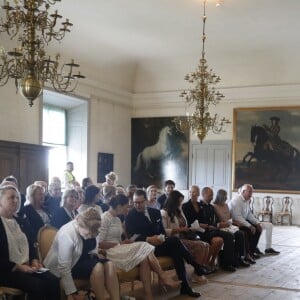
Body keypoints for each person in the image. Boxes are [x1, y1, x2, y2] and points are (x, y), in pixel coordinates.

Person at [126, 189, 209, 298]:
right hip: (144, 249)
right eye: (135, 202)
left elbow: (162, 231)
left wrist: (160, 238)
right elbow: (132, 237)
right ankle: (194, 266)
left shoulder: (154, 212)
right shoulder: (131, 215)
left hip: (159, 244)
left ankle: (185, 287)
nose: (137, 205)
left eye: (140, 202)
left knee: (177, 252)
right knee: (175, 242)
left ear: (146, 201)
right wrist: (149, 239)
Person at [99, 194, 180, 300]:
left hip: (118, 249)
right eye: (126, 206)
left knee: (144, 259)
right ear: (119, 206)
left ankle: (149, 295)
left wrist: (124, 242)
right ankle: (162, 275)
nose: (128, 208)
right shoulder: (105, 218)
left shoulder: (117, 219)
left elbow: (117, 240)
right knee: (144, 244)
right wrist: (119, 244)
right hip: (108, 252)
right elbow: (100, 243)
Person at [44, 207, 120, 300]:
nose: (89, 237)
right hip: (65, 266)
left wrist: (94, 254)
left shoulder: (93, 227)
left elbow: (92, 246)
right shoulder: (67, 235)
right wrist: (73, 292)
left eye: (92, 235)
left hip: (82, 259)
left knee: (110, 264)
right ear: (80, 225)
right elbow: (63, 268)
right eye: (87, 234)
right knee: (98, 267)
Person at [0, 185, 60, 300]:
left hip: (26, 266)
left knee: (53, 280)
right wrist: (18, 266)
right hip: (6, 270)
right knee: (38, 285)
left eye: (17, 197)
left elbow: (32, 243)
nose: (16, 200)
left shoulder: (20, 220)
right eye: (11, 198)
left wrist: (34, 259)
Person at [161, 190, 211, 283]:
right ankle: (197, 273)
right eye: (179, 202)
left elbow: (184, 225)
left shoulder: (179, 211)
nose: (180, 204)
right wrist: (180, 230)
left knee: (205, 245)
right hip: (175, 240)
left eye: (181, 202)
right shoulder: (164, 213)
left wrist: (190, 228)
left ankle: (198, 271)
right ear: (173, 201)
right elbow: (164, 231)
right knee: (200, 246)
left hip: (184, 236)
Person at [183, 186, 236, 272]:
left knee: (225, 237)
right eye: (190, 192)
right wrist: (205, 225)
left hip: (206, 229)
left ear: (198, 193)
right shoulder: (185, 206)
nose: (192, 194)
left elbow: (205, 220)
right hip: (195, 232)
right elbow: (187, 222)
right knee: (225, 237)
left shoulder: (201, 205)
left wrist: (210, 225)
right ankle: (209, 264)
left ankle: (211, 263)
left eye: (194, 192)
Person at [230, 184, 280, 259]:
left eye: (252, 192)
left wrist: (257, 223)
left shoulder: (246, 199)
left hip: (243, 221)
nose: (251, 194)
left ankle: (252, 251)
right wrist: (250, 226)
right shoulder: (237, 200)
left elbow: (249, 214)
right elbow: (237, 217)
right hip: (236, 223)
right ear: (243, 191)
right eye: (250, 192)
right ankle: (250, 252)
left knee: (258, 228)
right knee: (252, 229)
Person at [213, 189, 250, 267]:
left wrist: (234, 222)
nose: (226, 198)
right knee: (231, 236)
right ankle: (228, 261)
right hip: (222, 227)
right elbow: (218, 220)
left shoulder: (226, 205)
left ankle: (238, 258)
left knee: (241, 234)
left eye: (226, 196)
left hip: (229, 225)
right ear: (220, 197)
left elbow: (229, 217)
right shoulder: (215, 206)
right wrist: (226, 223)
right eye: (225, 196)